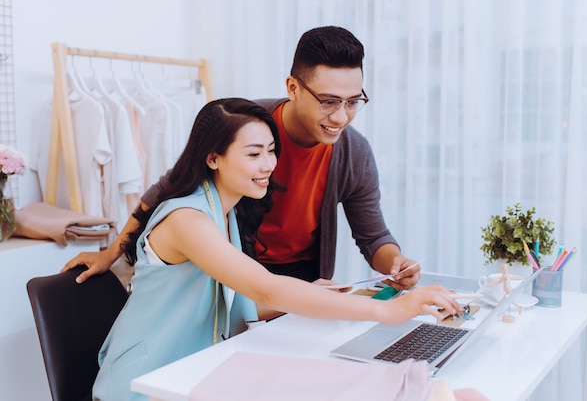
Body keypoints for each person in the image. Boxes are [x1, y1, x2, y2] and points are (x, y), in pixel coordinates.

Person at [90, 97, 460, 401]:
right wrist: (390, 311)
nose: (269, 165)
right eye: (254, 155)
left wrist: (307, 295)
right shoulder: (188, 219)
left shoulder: (224, 211)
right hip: (144, 384)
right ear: (213, 157)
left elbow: (229, 297)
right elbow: (263, 286)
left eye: (271, 151)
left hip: (194, 372)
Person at [63, 25, 420, 289]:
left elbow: (373, 237)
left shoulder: (354, 153)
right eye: (328, 101)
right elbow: (168, 188)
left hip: (304, 273)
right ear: (293, 88)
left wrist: (396, 263)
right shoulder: (247, 127)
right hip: (232, 267)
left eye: (353, 101)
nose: (341, 116)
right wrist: (111, 253)